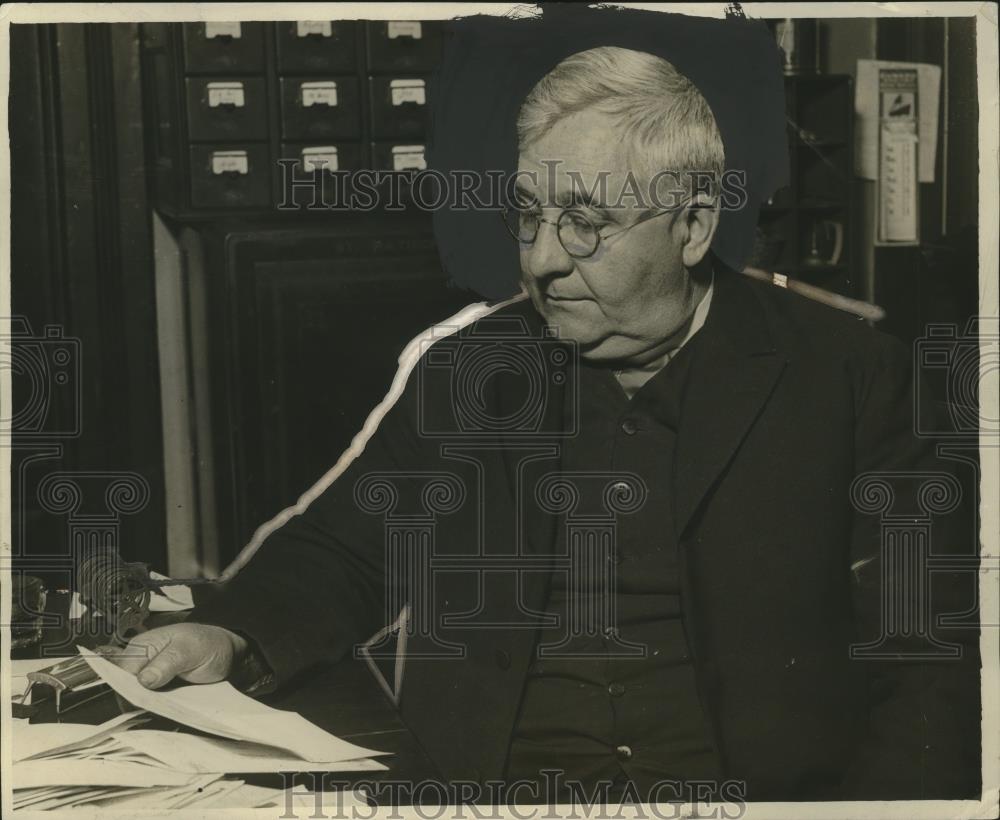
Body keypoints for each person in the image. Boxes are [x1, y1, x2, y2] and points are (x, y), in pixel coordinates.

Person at [114, 47, 979, 803]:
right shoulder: (474, 372)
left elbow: (927, 655)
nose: (539, 259)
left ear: (692, 226)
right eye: (527, 215)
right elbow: (348, 551)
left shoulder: (849, 375)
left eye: (585, 223)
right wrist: (228, 631)